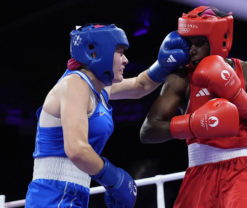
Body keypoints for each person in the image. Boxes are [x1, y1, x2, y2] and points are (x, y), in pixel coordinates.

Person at [25, 23, 189, 208]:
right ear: (95, 53)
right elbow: (76, 149)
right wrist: (115, 179)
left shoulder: (97, 89)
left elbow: (140, 86)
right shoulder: (74, 84)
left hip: (72, 192)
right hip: (53, 195)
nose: (126, 60)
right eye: (120, 52)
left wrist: (163, 65)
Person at [140, 6, 247, 208]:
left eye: (199, 43)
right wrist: (192, 124)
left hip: (243, 173)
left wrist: (237, 96)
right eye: (188, 43)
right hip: (198, 174)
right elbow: (148, 131)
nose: (192, 50)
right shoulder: (181, 79)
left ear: (216, 41)